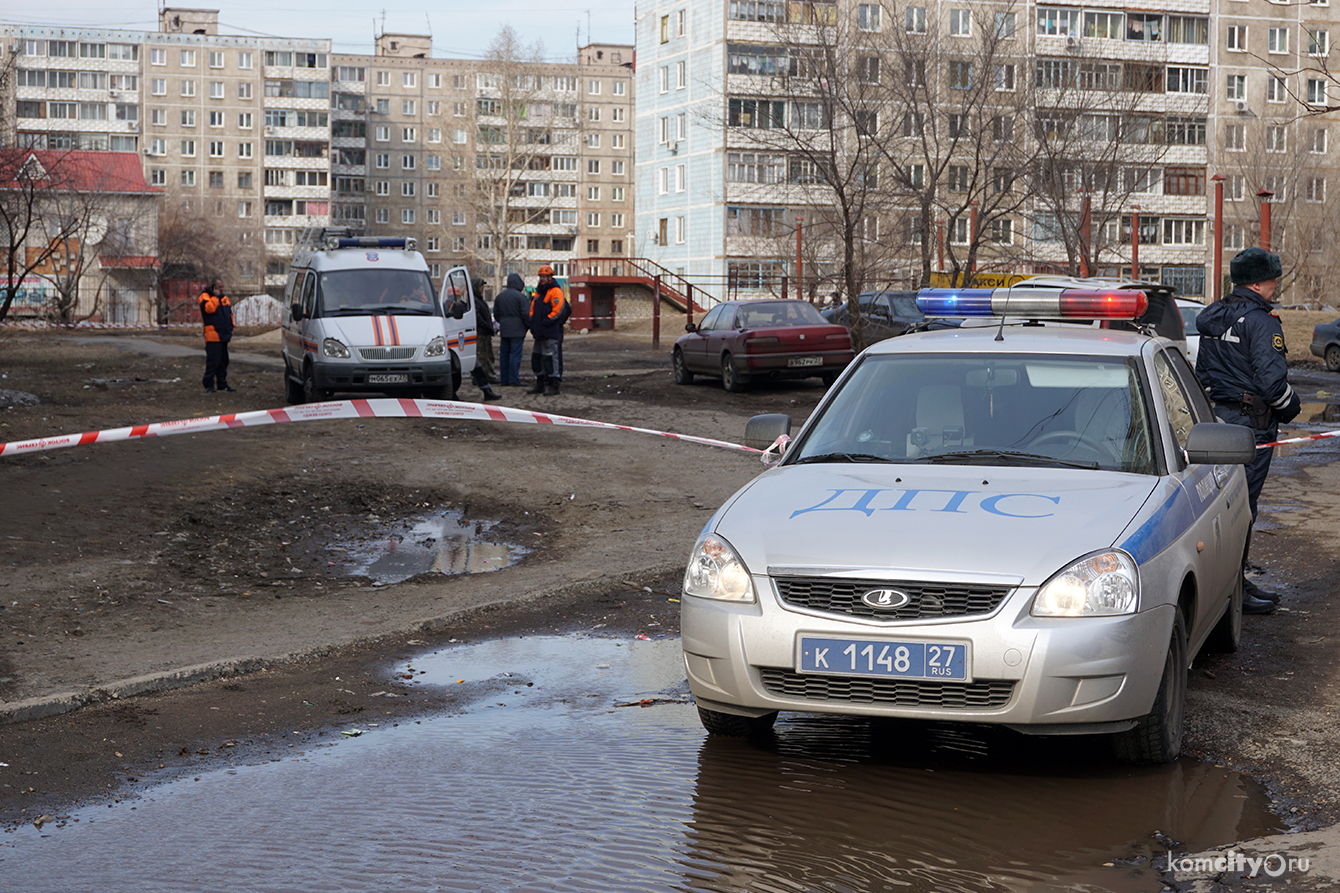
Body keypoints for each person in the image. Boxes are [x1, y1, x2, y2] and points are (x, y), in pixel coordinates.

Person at [1195, 246, 1301, 615]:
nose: (1276, 285)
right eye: (1273, 279)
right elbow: (1274, 385)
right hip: (1252, 425)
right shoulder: (1263, 321)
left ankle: (1236, 580)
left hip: (1218, 421)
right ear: (1257, 283)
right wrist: (1292, 408)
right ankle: (1234, 588)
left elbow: (1203, 374)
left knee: (1225, 506)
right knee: (1244, 507)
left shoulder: (1216, 316)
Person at [526, 266, 570, 396]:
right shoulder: (539, 293)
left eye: (544, 277)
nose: (542, 279)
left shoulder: (555, 291)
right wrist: (533, 323)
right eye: (540, 276)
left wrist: (545, 322)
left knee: (551, 358)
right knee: (537, 358)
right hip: (539, 332)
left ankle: (554, 384)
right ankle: (540, 383)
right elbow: (532, 310)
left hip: (550, 332)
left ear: (550, 277)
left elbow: (557, 310)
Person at [493, 272, 530, 386]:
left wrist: (503, 322)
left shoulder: (500, 297)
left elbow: (496, 315)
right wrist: (528, 326)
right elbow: (526, 315)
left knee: (504, 355)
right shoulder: (521, 297)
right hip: (518, 331)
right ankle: (514, 379)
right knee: (515, 355)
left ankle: (504, 379)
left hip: (504, 330)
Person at [199, 281, 235, 393]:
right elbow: (209, 309)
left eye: (222, 287)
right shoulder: (205, 297)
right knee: (213, 361)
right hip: (213, 334)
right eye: (219, 287)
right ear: (214, 287)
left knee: (223, 361)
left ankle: (222, 384)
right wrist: (215, 297)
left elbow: (229, 313)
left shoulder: (224, 298)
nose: (222, 289)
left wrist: (231, 325)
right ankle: (208, 384)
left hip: (224, 334)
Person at [469, 277, 501, 402]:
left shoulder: (478, 299)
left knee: (486, 355)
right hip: (481, 333)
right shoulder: (475, 300)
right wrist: (487, 326)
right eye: (481, 286)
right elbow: (477, 317)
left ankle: (485, 376)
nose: (483, 288)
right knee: (482, 356)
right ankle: (483, 377)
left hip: (485, 332)